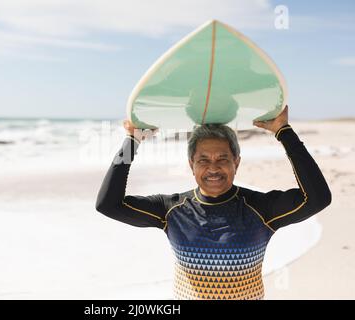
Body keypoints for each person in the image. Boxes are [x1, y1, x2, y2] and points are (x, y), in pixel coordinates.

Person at [95, 105, 331, 300]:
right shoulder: (172, 210)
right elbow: (108, 204)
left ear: (236, 163)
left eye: (223, 159)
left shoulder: (261, 209)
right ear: (191, 165)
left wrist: (284, 131)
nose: (213, 168)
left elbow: (318, 197)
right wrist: (132, 140)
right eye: (203, 160)